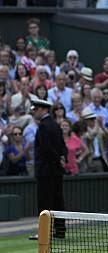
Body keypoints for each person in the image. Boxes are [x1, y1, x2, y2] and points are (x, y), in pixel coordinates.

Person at [29, 96, 66, 240]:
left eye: (36, 109)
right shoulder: (55, 124)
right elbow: (62, 147)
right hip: (56, 169)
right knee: (57, 200)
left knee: (45, 202)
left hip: (45, 170)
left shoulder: (44, 126)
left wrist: (58, 158)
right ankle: (59, 231)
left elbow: (46, 148)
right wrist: (62, 158)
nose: (34, 112)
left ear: (43, 109)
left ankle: (45, 233)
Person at [81, 107, 108, 172]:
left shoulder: (98, 129)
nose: (94, 120)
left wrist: (102, 126)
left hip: (99, 160)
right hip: (88, 161)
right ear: (86, 121)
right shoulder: (82, 131)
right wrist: (98, 124)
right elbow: (91, 137)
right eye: (92, 119)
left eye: (94, 118)